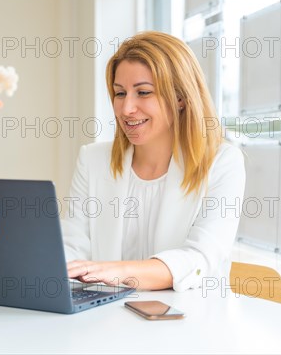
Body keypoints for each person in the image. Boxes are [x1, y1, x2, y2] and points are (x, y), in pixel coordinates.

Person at [62, 31, 245, 292]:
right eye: (120, 93)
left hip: (190, 321)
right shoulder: (92, 160)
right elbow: (72, 249)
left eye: (143, 92)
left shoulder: (222, 162)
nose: (126, 109)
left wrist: (119, 271)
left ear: (181, 98)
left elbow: (199, 258)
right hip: (106, 319)